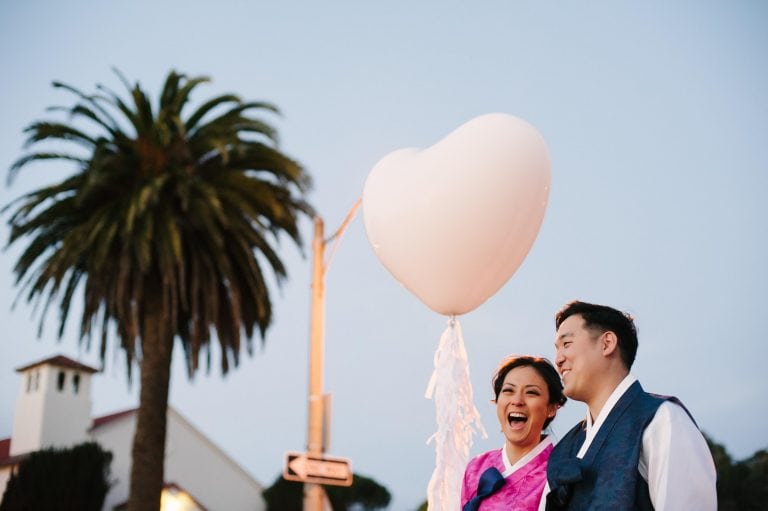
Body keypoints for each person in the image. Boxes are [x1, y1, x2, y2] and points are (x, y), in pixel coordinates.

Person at [541, 300, 717, 510]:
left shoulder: (661, 419)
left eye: (567, 344)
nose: (558, 359)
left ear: (607, 343)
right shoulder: (565, 449)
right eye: (557, 348)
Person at [461, 356, 567, 511]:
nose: (517, 400)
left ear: (552, 407)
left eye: (531, 392)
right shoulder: (476, 467)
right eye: (508, 390)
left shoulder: (559, 475)